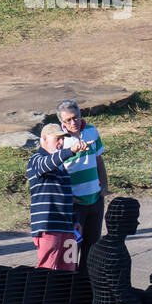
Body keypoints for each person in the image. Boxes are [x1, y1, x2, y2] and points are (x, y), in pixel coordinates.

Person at [27, 123, 89, 271]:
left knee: (69, 271)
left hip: (68, 228)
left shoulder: (62, 168)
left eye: (63, 139)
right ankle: (42, 295)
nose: (61, 143)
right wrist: (72, 150)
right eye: (58, 139)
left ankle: (66, 295)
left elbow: (67, 197)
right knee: (47, 272)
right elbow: (47, 164)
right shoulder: (36, 160)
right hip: (49, 228)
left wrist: (75, 220)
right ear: (44, 139)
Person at [57, 99, 107, 261]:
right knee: (70, 253)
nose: (74, 122)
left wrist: (104, 185)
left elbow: (99, 159)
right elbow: (56, 172)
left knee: (91, 251)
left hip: (95, 199)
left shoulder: (92, 131)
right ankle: (69, 285)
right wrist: (67, 197)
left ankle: (86, 285)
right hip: (75, 204)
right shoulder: (60, 140)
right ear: (61, 122)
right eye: (68, 120)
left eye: (76, 117)